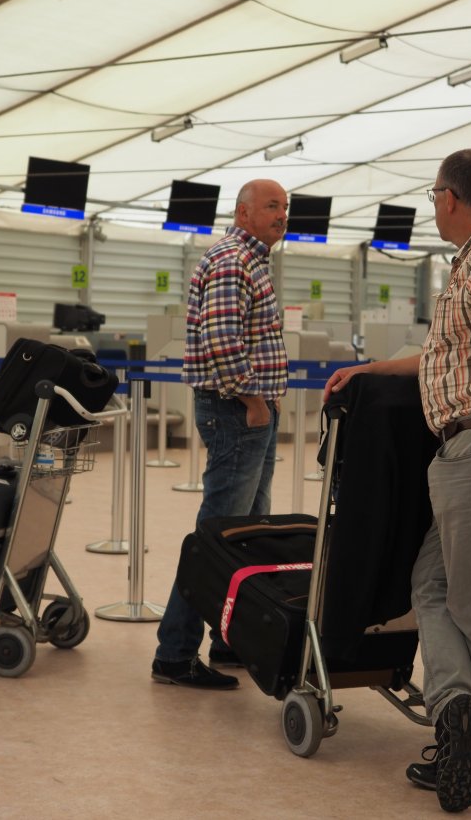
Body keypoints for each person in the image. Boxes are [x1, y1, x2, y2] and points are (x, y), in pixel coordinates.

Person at [324, 149, 471, 812]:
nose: (434, 206)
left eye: (434, 196)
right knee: (431, 586)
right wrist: (371, 369)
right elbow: (442, 356)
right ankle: (456, 702)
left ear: (451, 198)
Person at [151, 178, 289, 689]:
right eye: (271, 206)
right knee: (216, 538)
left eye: (285, 207)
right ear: (243, 213)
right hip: (237, 411)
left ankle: (228, 638)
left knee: (247, 533)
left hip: (252, 410)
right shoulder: (233, 260)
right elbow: (222, 342)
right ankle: (174, 653)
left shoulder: (252, 260)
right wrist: (253, 400)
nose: (281, 215)